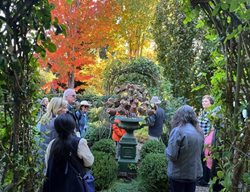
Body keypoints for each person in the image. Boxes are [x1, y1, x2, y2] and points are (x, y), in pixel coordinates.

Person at [43, 113, 94, 192]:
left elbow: (47, 162)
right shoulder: (79, 142)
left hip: (54, 183)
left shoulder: (52, 143)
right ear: (72, 125)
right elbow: (89, 162)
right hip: (74, 184)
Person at [166, 105, 204, 192]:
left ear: (178, 116)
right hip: (193, 174)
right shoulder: (199, 132)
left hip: (178, 174)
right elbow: (200, 153)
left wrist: (166, 150)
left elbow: (172, 155)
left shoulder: (178, 131)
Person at [197, 95, 214, 186]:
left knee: (206, 159)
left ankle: (205, 180)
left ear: (211, 103)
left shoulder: (212, 113)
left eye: (206, 101)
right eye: (203, 101)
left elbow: (212, 127)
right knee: (200, 158)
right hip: (199, 139)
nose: (204, 103)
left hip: (207, 140)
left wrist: (206, 135)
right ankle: (201, 178)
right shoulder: (202, 112)